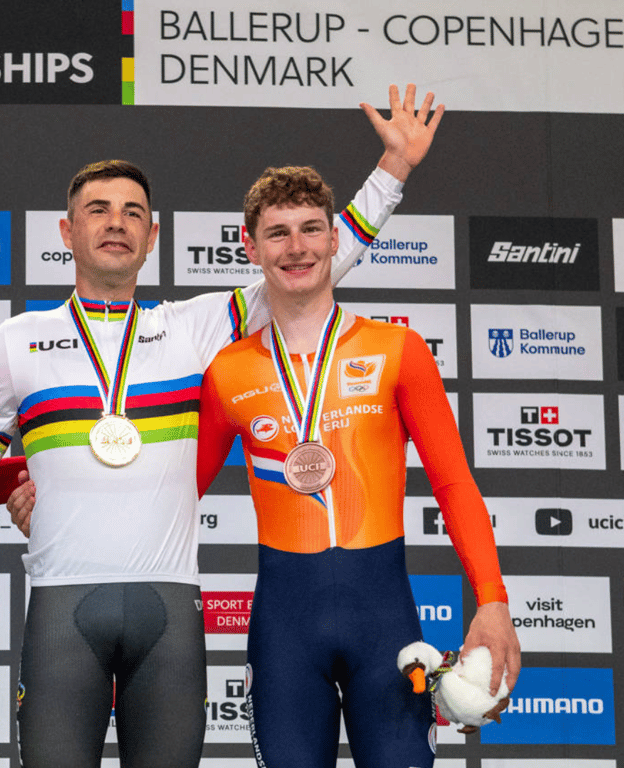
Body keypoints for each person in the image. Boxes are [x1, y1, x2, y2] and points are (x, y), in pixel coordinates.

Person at [0, 85, 442, 768]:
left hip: (169, 612)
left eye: (133, 212)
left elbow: (315, 260)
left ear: (154, 236)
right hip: (62, 605)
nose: (115, 223)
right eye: (97, 210)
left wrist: (393, 170)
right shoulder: (14, 341)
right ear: (67, 232)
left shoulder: (197, 328)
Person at [192, 162, 520, 768]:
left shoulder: (397, 349)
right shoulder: (227, 372)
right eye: (278, 232)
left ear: (335, 239)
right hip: (284, 631)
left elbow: (452, 483)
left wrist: (493, 602)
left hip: (385, 626)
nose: (297, 248)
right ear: (249, 245)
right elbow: (172, 493)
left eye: (312, 229)